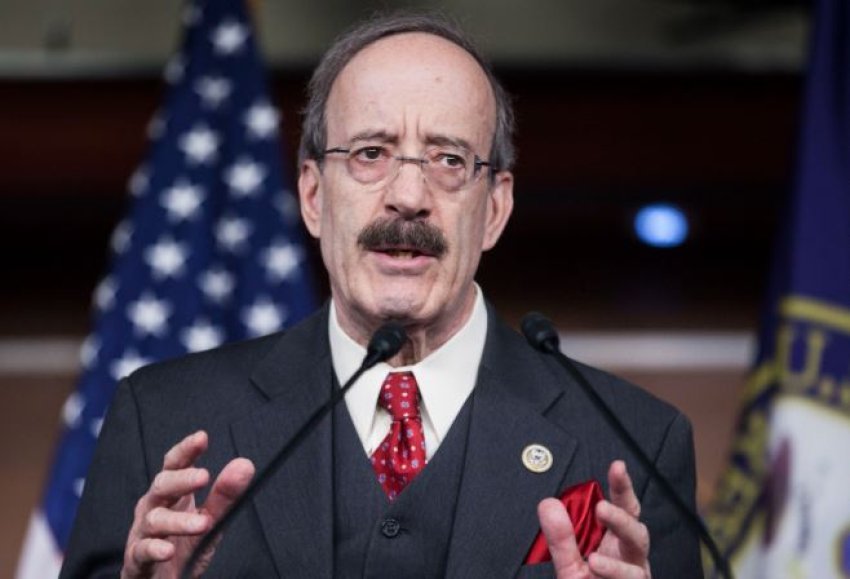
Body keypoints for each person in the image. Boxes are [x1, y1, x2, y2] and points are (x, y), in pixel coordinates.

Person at [61, 13, 702, 579]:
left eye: (449, 160)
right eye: (371, 153)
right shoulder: (160, 419)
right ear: (313, 195)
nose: (408, 196)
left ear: (495, 209)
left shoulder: (635, 445)